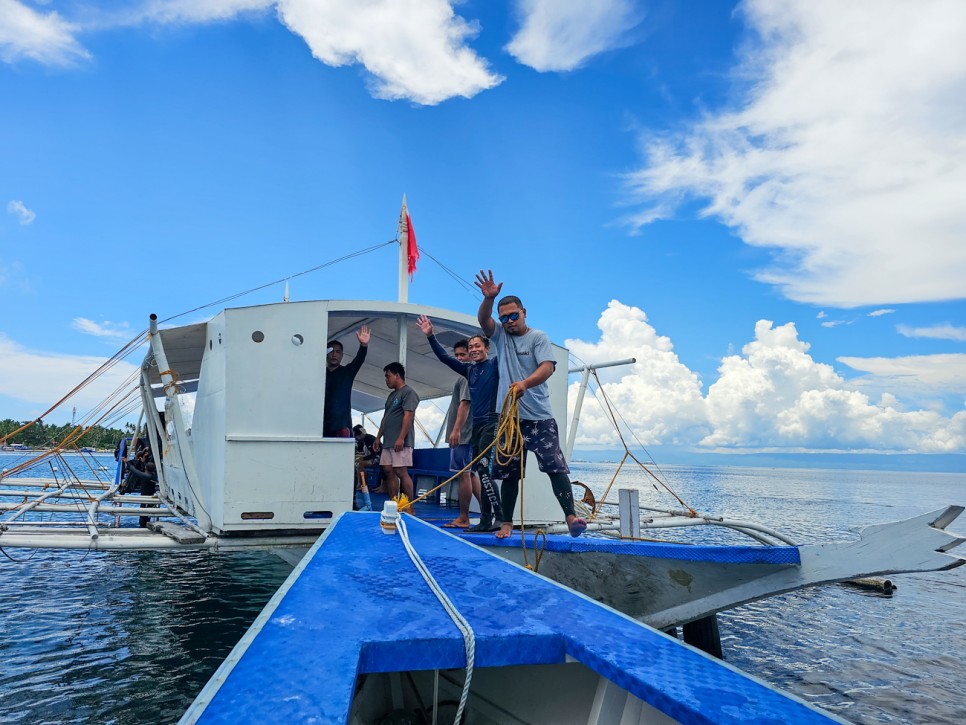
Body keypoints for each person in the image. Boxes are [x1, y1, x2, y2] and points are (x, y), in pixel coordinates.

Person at [475, 270, 587, 538]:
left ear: (524, 312)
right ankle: (506, 523)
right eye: (505, 318)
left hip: (539, 417)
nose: (510, 321)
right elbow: (483, 320)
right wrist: (489, 299)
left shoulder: (538, 337)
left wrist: (524, 384)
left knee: (555, 466)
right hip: (510, 419)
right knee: (510, 473)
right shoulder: (500, 336)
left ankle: (570, 516)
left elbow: (547, 368)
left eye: (514, 315)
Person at [416, 315, 503, 533]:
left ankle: (498, 517)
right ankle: (485, 520)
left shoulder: (494, 365)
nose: (473, 349)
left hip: (491, 422)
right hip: (477, 426)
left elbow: (507, 349)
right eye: (471, 346)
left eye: (477, 346)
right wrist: (430, 336)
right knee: (480, 473)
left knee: (483, 471)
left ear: (486, 348)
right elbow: (445, 358)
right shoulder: (469, 370)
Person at [373, 362, 419, 501]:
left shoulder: (408, 393)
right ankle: (394, 504)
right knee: (388, 471)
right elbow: (385, 417)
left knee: (401, 471)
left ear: (397, 375)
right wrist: (378, 437)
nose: (386, 380)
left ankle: (409, 506)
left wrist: (401, 438)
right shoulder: (391, 396)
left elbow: (408, 415)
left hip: (400, 440)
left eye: (388, 376)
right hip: (388, 441)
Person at [323, 325, 370, 437]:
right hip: (320, 426)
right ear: (325, 353)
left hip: (342, 427)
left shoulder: (347, 372)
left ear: (342, 355)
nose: (334, 354)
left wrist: (364, 345)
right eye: (331, 351)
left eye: (338, 352)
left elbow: (359, 360)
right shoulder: (319, 374)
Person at [352, 424, 378, 510]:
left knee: (360, 464)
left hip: (378, 458)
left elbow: (373, 455)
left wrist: (362, 458)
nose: (356, 437)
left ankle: (362, 484)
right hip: (374, 457)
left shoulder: (370, 439)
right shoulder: (365, 440)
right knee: (359, 462)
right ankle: (361, 483)